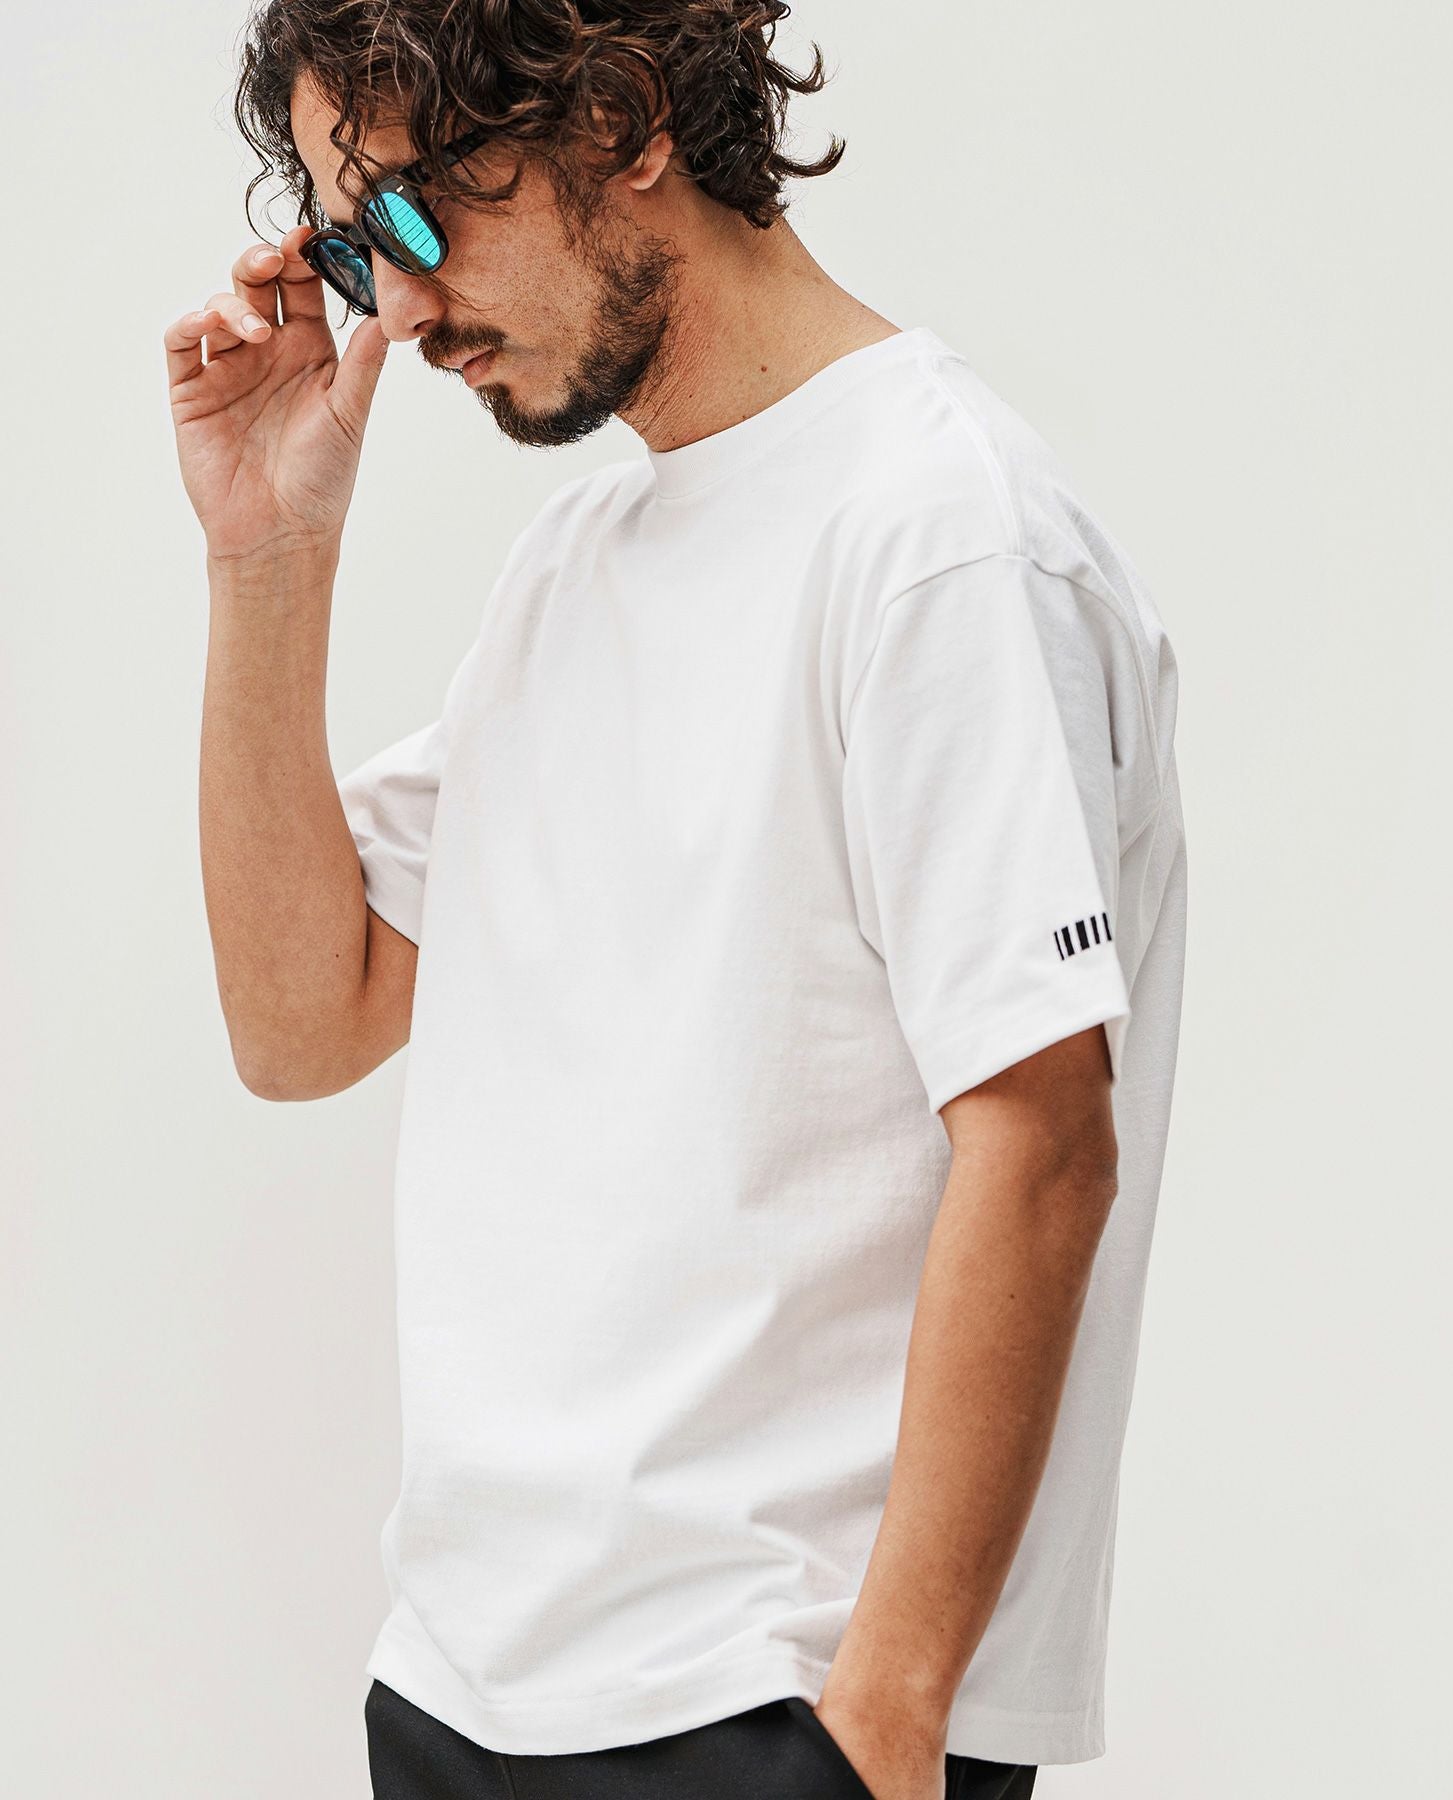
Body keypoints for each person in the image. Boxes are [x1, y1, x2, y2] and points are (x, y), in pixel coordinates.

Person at [166, 4, 1186, 1796]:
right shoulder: (578, 560)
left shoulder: (938, 535)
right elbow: (300, 1020)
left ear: (626, 117)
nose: (394, 306)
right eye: (345, 244)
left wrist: (883, 1727)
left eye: (409, 209)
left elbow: (1043, 1144)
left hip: (767, 1705)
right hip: (470, 1691)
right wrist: (268, 556)